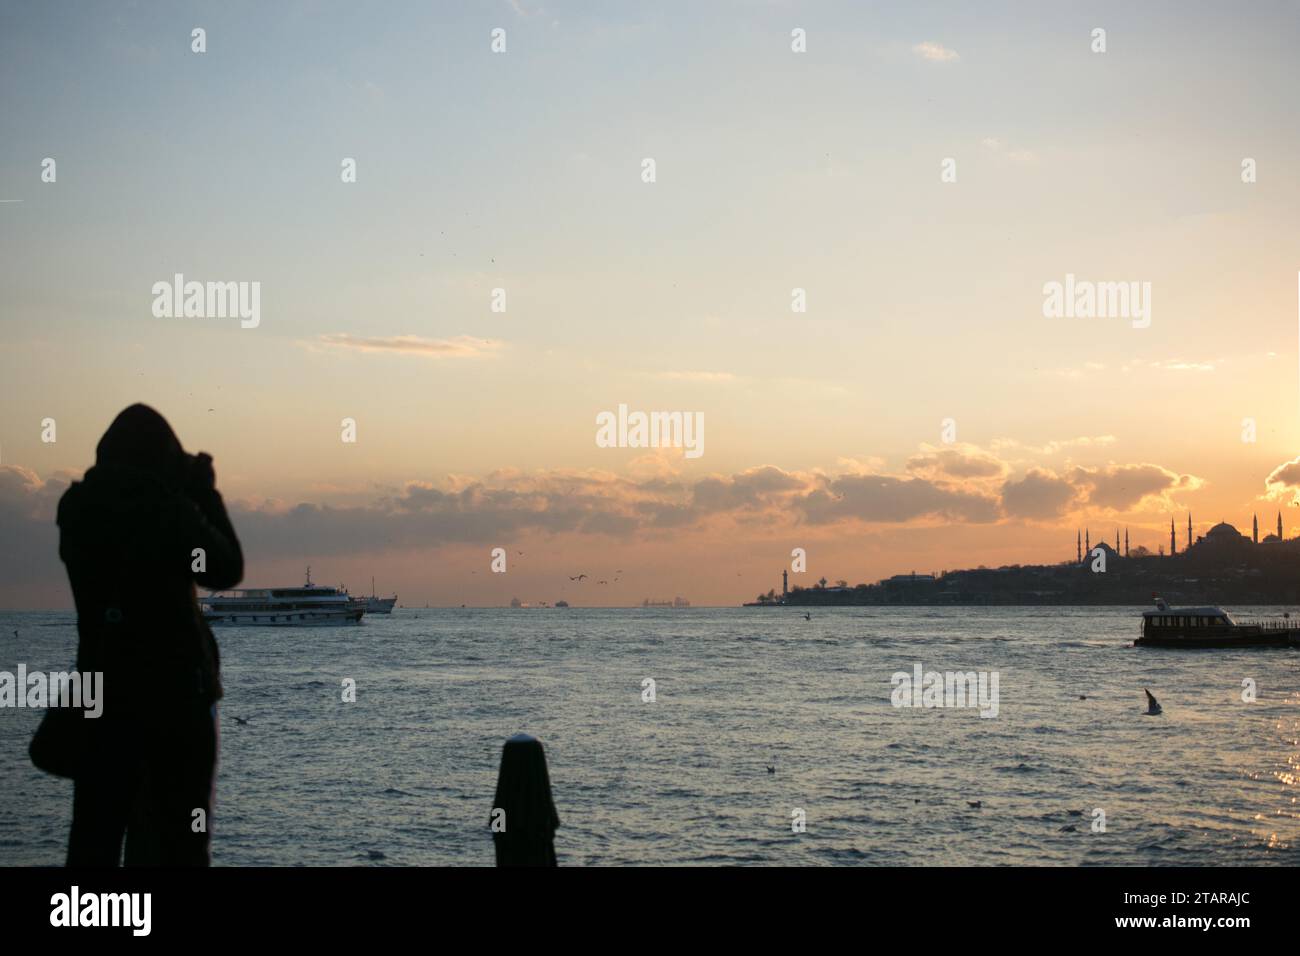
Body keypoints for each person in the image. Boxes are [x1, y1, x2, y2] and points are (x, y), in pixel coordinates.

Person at [57, 404, 243, 865]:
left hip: (101, 698)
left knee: (94, 839)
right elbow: (226, 567)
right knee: (180, 842)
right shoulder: (168, 512)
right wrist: (204, 492)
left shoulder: (77, 509)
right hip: (176, 702)